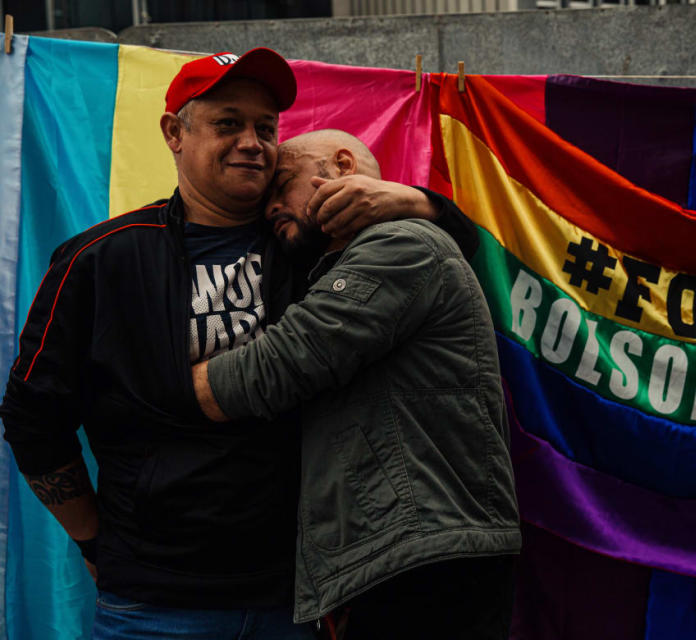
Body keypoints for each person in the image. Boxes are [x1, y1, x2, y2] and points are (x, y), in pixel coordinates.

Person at [0, 48, 476, 639]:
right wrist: (94, 540)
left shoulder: (309, 244)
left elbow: (450, 267)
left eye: (265, 128)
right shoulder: (101, 260)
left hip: (299, 597)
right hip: (153, 604)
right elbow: (32, 418)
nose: (252, 141)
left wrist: (421, 201)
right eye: (228, 123)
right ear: (175, 133)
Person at [192, 130, 521, 639]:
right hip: (401, 561)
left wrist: (156, 383)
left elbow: (279, 365)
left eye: (284, 184)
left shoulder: (401, 243)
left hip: (425, 566)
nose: (271, 205)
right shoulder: (342, 260)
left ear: (343, 165)